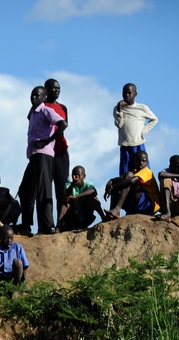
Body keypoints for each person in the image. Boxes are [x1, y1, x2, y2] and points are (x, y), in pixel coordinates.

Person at [19, 85, 67, 235]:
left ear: (44, 98)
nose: (34, 98)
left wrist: (47, 141)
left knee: (43, 189)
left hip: (44, 154)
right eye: (32, 95)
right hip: (34, 155)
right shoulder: (33, 112)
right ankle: (26, 225)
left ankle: (46, 226)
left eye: (37, 95)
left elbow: (62, 124)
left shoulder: (46, 110)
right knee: (25, 190)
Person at [114, 83, 158, 175]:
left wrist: (143, 131)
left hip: (138, 144)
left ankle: (145, 189)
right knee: (125, 171)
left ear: (135, 94)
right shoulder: (118, 108)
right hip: (125, 145)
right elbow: (119, 124)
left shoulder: (141, 108)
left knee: (142, 170)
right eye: (125, 93)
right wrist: (119, 108)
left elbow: (154, 119)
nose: (127, 95)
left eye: (129, 93)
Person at [104, 150, 161, 218]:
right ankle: (111, 213)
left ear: (147, 162)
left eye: (143, 161)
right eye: (138, 161)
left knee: (127, 179)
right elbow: (116, 180)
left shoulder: (147, 171)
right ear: (134, 162)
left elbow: (131, 181)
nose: (141, 163)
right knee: (121, 181)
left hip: (148, 205)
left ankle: (116, 209)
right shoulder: (134, 171)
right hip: (136, 205)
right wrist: (109, 183)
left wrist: (113, 187)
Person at [44, 78, 70, 226]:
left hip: (61, 151)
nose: (57, 90)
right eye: (53, 88)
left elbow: (64, 127)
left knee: (62, 188)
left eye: (58, 88)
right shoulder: (41, 106)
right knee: (46, 189)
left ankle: (62, 223)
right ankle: (48, 223)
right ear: (46, 89)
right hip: (46, 152)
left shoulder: (63, 108)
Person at [0, 225, 29, 302]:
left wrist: (23, 284)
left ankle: (16, 289)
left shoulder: (17, 247)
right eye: (6, 238)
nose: (9, 241)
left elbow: (24, 266)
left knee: (17, 262)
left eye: (11, 238)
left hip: (13, 278)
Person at [58, 166, 107, 231]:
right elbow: (65, 194)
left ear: (84, 176)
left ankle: (103, 217)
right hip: (73, 218)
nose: (75, 177)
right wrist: (72, 184)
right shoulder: (69, 185)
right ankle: (58, 226)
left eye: (77, 175)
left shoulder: (87, 184)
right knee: (65, 202)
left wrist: (76, 196)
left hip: (85, 217)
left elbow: (92, 190)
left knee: (94, 198)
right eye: (73, 175)